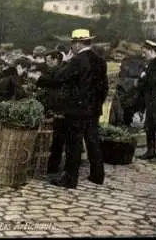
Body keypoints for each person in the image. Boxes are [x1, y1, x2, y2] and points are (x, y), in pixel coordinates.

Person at [33, 29, 108, 188]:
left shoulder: (77, 60)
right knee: (93, 141)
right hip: (93, 109)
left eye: (73, 43)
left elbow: (60, 78)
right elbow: (104, 88)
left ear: (79, 43)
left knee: (73, 144)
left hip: (76, 110)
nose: (71, 47)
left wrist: (38, 79)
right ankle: (97, 175)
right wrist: (97, 104)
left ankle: (69, 179)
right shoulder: (100, 60)